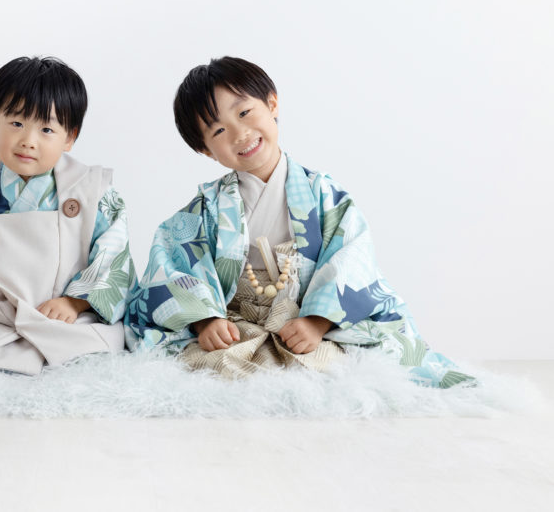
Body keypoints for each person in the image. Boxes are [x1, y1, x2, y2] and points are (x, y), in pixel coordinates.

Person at [125, 56, 471, 387]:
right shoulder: (206, 209)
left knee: (339, 366)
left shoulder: (324, 196)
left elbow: (352, 257)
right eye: (218, 131)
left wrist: (317, 322)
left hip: (305, 323)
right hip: (236, 324)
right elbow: (172, 262)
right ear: (205, 150)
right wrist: (206, 321)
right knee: (210, 365)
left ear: (272, 104)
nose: (240, 134)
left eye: (244, 112)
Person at [0, 56, 135, 375]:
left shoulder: (92, 192)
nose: (28, 140)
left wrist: (75, 302)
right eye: (16, 123)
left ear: (69, 137)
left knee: (96, 360)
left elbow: (113, 256)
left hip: (68, 318)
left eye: (47, 129)